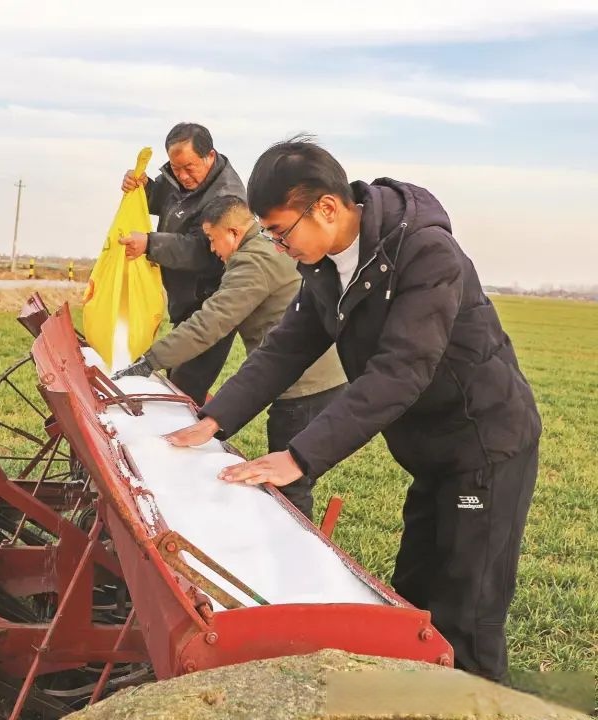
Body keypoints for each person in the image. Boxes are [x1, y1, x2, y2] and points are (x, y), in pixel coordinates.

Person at [164, 136, 541, 683]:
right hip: (431, 452)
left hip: (484, 445)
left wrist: (298, 457)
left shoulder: (426, 253)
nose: (278, 247)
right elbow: (287, 347)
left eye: (280, 232)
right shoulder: (325, 266)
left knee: (468, 614)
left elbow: (400, 371)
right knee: (413, 602)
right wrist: (214, 419)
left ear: (326, 207)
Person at [111, 194, 346, 520]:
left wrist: (150, 361)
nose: (212, 249)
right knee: (286, 476)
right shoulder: (264, 248)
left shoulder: (253, 262)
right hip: (312, 372)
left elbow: (211, 322)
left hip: (307, 384)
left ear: (233, 233)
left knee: (289, 484)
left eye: (211, 238)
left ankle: (293, 540)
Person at [117, 122, 246, 404]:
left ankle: (204, 426)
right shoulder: (178, 176)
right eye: (176, 169)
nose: (183, 176)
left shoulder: (227, 197)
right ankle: (203, 420)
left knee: (183, 387)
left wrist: (150, 244)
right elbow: (164, 201)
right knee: (177, 381)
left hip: (210, 305)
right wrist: (143, 187)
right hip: (183, 303)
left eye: (189, 167)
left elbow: (203, 250)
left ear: (209, 156)